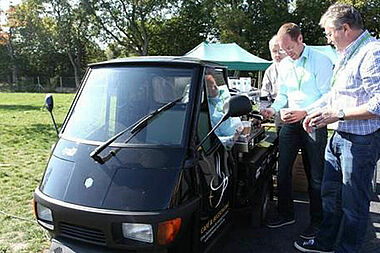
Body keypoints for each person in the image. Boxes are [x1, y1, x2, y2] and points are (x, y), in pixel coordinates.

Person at [294, 4, 380, 253]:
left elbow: (378, 103)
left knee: (354, 205)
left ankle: (347, 249)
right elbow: (335, 95)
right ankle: (325, 243)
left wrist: (337, 114)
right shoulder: (349, 53)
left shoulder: (372, 52)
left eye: (330, 32)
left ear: (344, 28)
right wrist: (307, 111)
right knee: (330, 196)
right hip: (340, 136)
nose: (327, 38)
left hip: (360, 141)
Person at [260, 23, 333, 239]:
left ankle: (318, 222)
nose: (286, 54)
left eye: (289, 48)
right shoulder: (284, 65)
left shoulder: (321, 61)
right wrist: (273, 109)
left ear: (300, 39)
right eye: (282, 50)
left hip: (314, 121)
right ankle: (286, 213)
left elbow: (328, 95)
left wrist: (304, 112)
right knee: (283, 171)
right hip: (291, 122)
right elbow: (283, 95)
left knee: (316, 175)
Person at [205, 72, 243, 148]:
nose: (216, 88)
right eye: (211, 87)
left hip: (241, 133)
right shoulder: (208, 110)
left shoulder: (224, 93)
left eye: (215, 85)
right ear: (205, 90)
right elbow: (215, 139)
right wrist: (233, 138)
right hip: (229, 146)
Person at [260, 35, 287, 132]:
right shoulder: (269, 71)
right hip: (279, 113)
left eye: (280, 50)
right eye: (274, 51)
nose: (277, 54)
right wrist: (263, 109)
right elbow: (264, 92)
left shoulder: (296, 67)